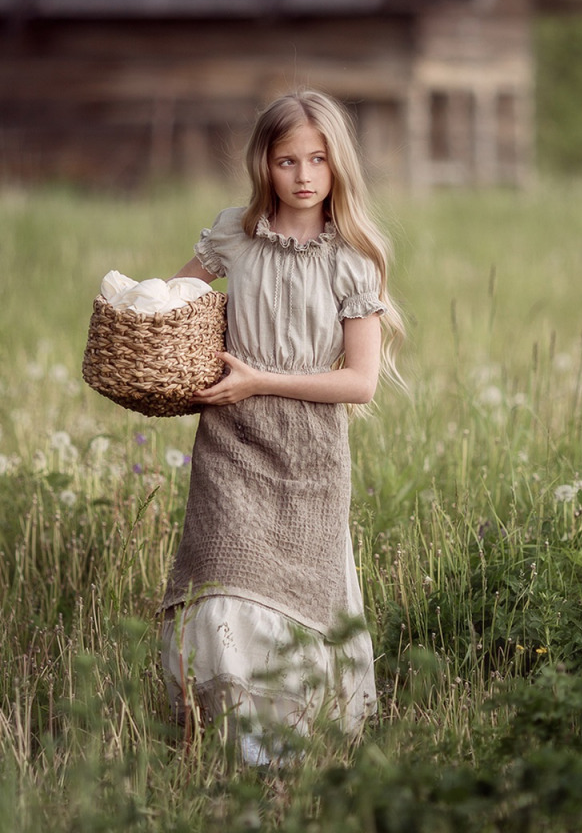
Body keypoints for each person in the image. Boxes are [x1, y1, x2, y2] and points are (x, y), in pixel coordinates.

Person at [159, 90, 403, 765]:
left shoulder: (353, 258)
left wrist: (259, 380)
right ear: (262, 163)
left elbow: (359, 382)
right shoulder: (233, 236)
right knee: (228, 583)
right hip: (230, 441)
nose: (302, 175)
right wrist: (142, 322)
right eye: (286, 159)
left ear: (337, 166)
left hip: (311, 454)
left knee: (298, 594)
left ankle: (294, 746)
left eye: (318, 159)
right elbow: (172, 310)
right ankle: (236, 741)